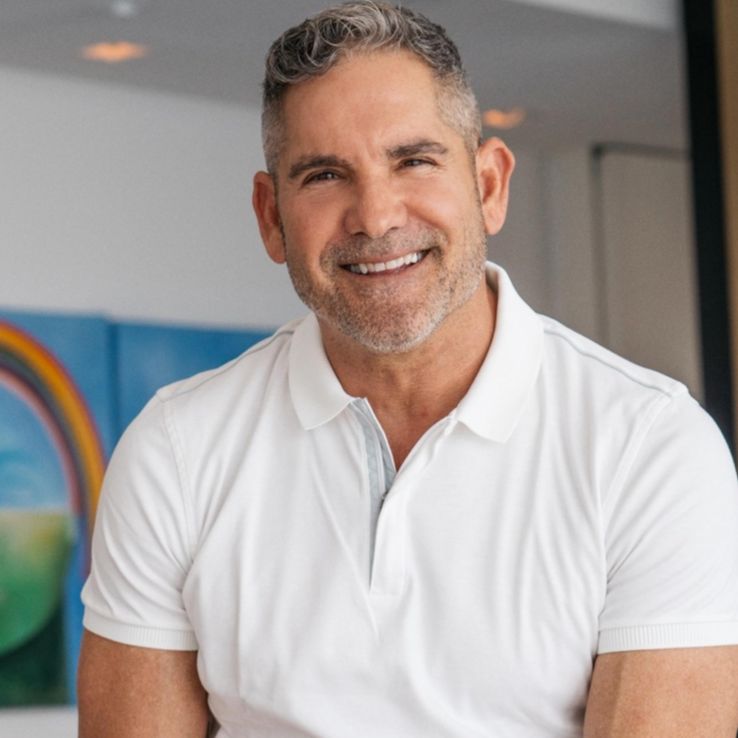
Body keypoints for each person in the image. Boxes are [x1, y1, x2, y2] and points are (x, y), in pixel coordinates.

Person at [77, 2, 738, 736]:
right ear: (271, 217)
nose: (376, 216)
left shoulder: (649, 446)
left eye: (413, 161)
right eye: (325, 174)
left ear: (489, 185)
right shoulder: (176, 448)